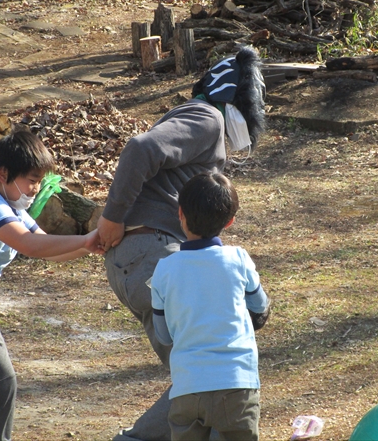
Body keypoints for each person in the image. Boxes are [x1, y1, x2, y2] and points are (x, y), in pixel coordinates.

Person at [100, 46, 267, 441]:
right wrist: (111, 217)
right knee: (202, 377)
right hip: (152, 250)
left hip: (142, 258)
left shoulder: (201, 121)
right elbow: (141, 149)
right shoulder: (207, 118)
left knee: (194, 375)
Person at [0, 130, 103, 441]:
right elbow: (29, 246)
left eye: (40, 179)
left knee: (3, 386)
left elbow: (46, 248)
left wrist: (92, 247)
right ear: (3, 174)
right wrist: (87, 238)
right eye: (31, 179)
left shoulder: (14, 209)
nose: (36, 188)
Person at [151, 172, 269, 440]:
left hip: (187, 388)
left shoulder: (164, 269)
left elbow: (163, 335)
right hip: (237, 383)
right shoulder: (238, 258)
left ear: (180, 213)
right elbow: (260, 308)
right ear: (230, 221)